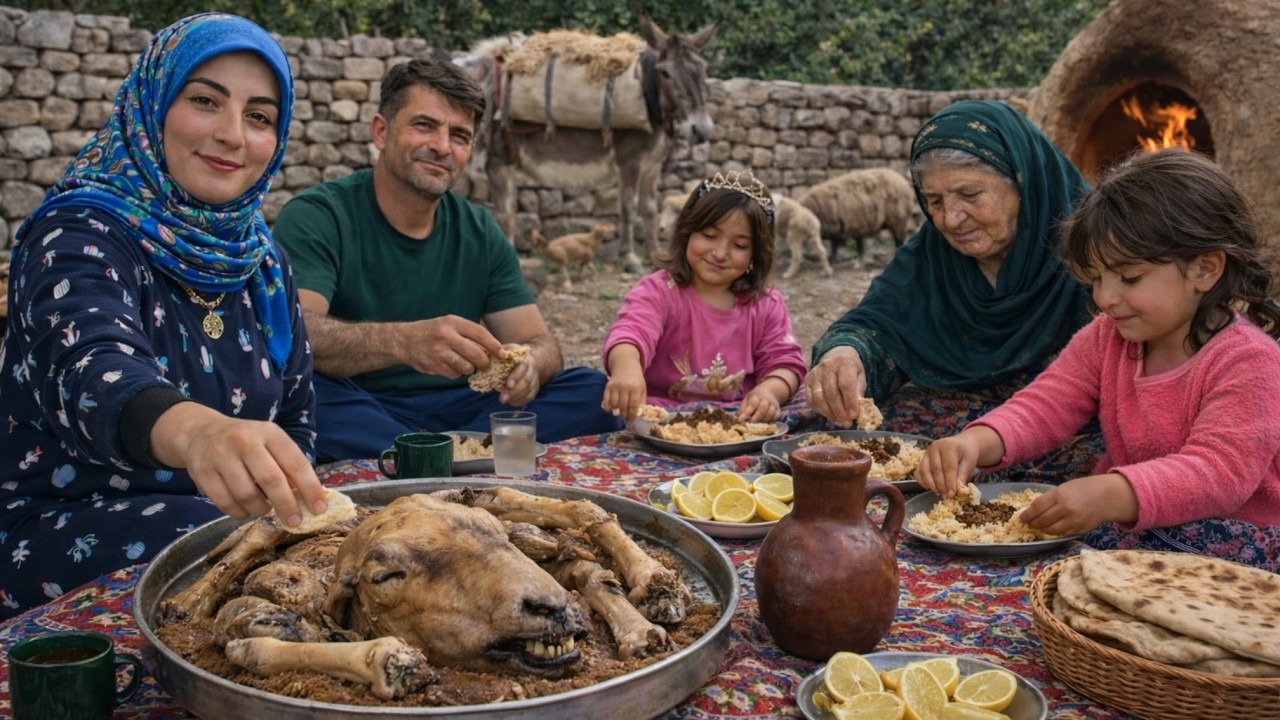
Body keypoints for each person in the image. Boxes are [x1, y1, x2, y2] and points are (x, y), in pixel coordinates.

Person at [0, 13, 328, 619]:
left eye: (259, 116)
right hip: (66, 527)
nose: (233, 134)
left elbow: (297, 414)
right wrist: (201, 434)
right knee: (216, 544)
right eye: (205, 100)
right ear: (151, 105)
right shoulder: (76, 233)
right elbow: (92, 370)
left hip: (229, 523)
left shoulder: (260, 260)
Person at [919, 148, 1280, 570]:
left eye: (1129, 278)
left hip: (1234, 540)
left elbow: (1218, 473)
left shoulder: (1248, 361)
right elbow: (1046, 404)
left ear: (1204, 269)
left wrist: (1110, 494)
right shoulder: (1108, 338)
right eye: (1096, 279)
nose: (1105, 298)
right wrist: (972, 443)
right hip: (1132, 518)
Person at [272, 59, 621, 461]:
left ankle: (425, 454)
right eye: (424, 125)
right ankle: (464, 455)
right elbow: (298, 338)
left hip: (464, 408)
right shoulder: (319, 215)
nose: (442, 146)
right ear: (381, 132)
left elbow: (539, 342)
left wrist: (532, 367)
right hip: (362, 403)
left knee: (591, 390)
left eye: (460, 135)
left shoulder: (478, 228)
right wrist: (404, 343)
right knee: (299, 396)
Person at [807, 99, 1098, 480]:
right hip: (957, 430)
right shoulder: (931, 255)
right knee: (840, 431)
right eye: (935, 201)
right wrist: (847, 356)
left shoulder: (1092, 243)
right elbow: (878, 324)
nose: (951, 218)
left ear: (1023, 181)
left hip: (1058, 424)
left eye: (970, 195)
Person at [601, 170, 807, 424]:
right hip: (660, 418)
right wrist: (627, 370)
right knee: (592, 392)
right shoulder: (659, 291)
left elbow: (785, 361)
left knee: (812, 400)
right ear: (687, 231)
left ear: (757, 253)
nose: (720, 253)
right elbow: (630, 333)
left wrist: (769, 393)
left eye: (740, 245)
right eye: (709, 236)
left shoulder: (765, 303)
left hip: (739, 420)